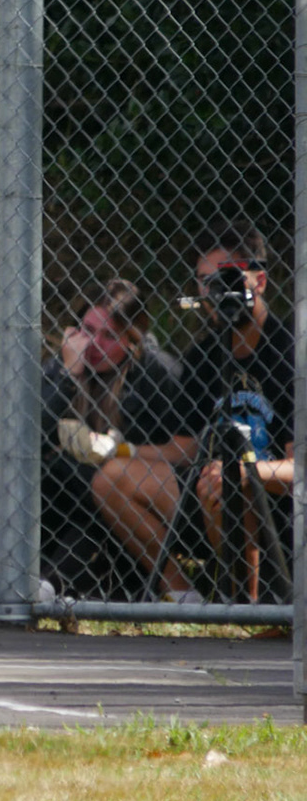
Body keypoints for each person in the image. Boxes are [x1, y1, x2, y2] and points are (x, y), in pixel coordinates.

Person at [91, 222, 292, 602]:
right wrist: (117, 449)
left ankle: (248, 608)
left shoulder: (290, 351)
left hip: (279, 506)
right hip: (210, 497)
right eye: (205, 281)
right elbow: (184, 449)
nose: (216, 291)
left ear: (260, 281)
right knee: (112, 478)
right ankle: (186, 598)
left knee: (228, 478)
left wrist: (244, 471)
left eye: (227, 277)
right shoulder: (203, 356)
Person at [39, 279, 188, 597]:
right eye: (87, 330)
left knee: (88, 477)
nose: (93, 344)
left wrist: (119, 450)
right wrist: (68, 376)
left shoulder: (156, 372)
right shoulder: (65, 364)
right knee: (45, 470)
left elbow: (184, 450)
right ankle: (41, 577)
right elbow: (28, 438)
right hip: (72, 507)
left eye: (109, 336)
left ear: (132, 340)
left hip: (133, 501)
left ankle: (50, 583)